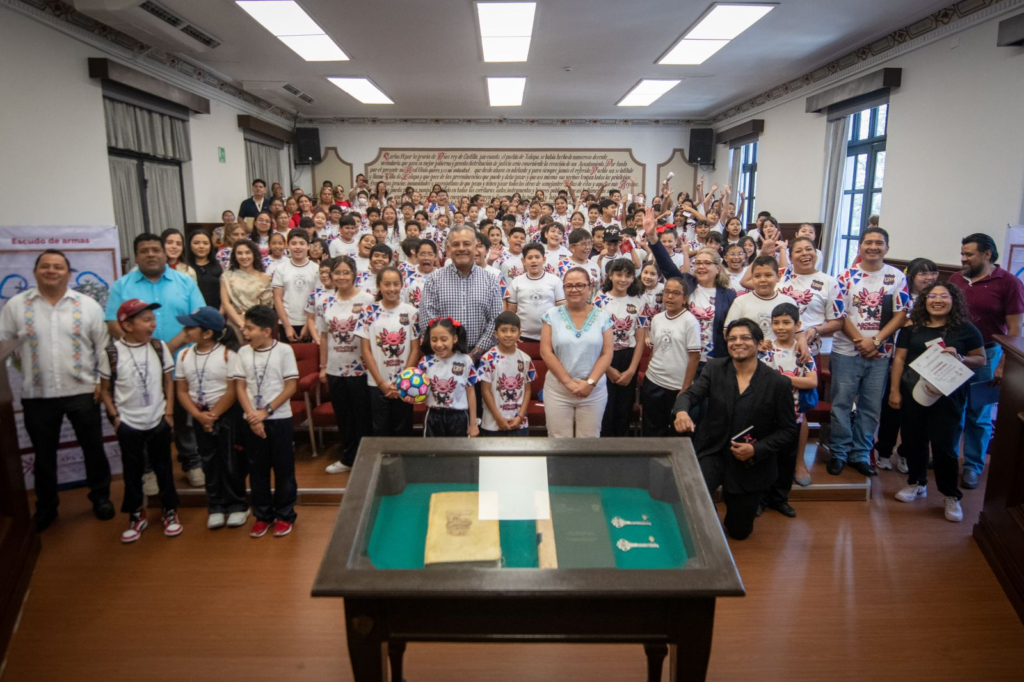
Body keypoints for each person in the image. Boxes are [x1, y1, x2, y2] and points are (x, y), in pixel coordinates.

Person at [0, 250, 113, 531]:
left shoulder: (87, 305)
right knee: (43, 455)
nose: (51, 271)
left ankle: (101, 498)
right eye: (45, 266)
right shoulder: (16, 306)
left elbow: (103, 347)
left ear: (68, 273)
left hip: (83, 391)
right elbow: (4, 346)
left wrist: (102, 383)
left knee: (93, 449)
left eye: (58, 267)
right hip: (37, 395)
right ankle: (46, 508)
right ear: (35, 272)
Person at [672, 319, 799, 541]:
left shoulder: (778, 383)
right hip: (712, 449)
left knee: (739, 531)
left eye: (745, 338)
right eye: (732, 338)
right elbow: (690, 395)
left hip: (750, 461)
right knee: (693, 496)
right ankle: (705, 523)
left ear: (759, 343)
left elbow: (788, 430)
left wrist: (757, 449)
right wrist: (681, 412)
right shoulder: (714, 368)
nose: (737, 342)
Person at [106, 233, 206, 486]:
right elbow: (113, 323)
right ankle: (147, 469)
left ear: (165, 253)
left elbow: (198, 318)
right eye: (144, 250)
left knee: (184, 416)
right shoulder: (122, 286)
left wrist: (166, 349)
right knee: (143, 416)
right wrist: (144, 350)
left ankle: (192, 461)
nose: (150, 254)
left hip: (182, 361)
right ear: (136, 256)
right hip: (138, 366)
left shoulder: (184, 282)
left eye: (155, 249)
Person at [888, 283, 985, 522]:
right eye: (932, 296)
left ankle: (951, 495)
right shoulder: (911, 328)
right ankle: (916, 483)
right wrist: (894, 391)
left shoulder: (966, 329)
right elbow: (899, 359)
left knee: (944, 447)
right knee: (913, 440)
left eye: (944, 296)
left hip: (948, 397)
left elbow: (981, 359)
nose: (937, 300)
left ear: (954, 300)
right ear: (924, 300)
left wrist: (960, 357)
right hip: (913, 394)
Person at [827, 227, 910, 477]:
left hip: (881, 354)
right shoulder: (845, 276)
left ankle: (860, 454)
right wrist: (860, 341)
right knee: (841, 404)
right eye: (868, 242)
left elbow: (901, 315)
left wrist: (875, 341)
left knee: (871, 407)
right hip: (846, 351)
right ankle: (839, 452)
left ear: (887, 248)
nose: (873, 247)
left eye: (879, 243)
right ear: (860, 246)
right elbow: (840, 314)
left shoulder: (896, 277)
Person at [99, 299, 180, 544]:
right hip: (128, 423)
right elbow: (104, 390)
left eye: (153, 319)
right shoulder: (112, 353)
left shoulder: (158, 347)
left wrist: (168, 413)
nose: (152, 324)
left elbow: (169, 381)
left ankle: (169, 510)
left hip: (157, 419)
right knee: (132, 471)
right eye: (146, 320)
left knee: (164, 468)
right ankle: (136, 514)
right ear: (127, 325)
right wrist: (116, 418)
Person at [947, 233, 1024, 489]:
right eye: (962, 253)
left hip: (988, 355)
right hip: (954, 355)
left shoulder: (1009, 282)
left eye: (969, 254)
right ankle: (948, 458)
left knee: (978, 413)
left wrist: (1004, 364)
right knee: (952, 409)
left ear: (987, 254)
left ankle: (972, 466)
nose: (963, 258)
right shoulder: (956, 279)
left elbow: (1015, 329)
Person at [173, 307, 249, 530]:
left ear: (207, 333)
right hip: (200, 416)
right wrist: (198, 415)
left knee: (230, 461)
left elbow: (232, 390)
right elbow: (182, 391)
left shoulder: (228, 355)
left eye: (190, 327)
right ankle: (216, 506)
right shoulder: (184, 355)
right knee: (209, 461)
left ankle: (237, 505)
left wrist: (214, 415)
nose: (185, 331)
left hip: (226, 417)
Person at [231, 305, 299, 539]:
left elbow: (290, 386)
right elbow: (240, 387)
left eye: (250, 328)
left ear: (267, 331)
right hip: (251, 420)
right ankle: (262, 515)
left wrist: (266, 412)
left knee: (284, 469)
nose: (245, 333)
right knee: (257, 470)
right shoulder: (243, 352)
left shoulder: (284, 351)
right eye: (244, 328)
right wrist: (253, 415)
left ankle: (285, 514)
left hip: (279, 419)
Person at [874, 257, 938, 473]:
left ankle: (905, 453)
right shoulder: (901, 296)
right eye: (923, 273)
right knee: (891, 407)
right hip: (897, 358)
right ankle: (884, 451)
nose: (928, 278)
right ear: (911, 276)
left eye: (932, 273)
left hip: (925, 362)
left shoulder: (937, 299)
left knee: (918, 414)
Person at [757, 304, 817, 518]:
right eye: (776, 323)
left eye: (786, 322)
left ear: (797, 325)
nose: (780, 327)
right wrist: (789, 380)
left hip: (793, 413)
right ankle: (761, 499)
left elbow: (812, 381)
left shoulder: (803, 352)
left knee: (787, 458)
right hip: (767, 412)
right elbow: (759, 380)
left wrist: (781, 379)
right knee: (765, 457)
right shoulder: (765, 349)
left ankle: (780, 499)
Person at [539, 267, 614, 438]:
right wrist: (568, 383)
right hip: (558, 390)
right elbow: (546, 352)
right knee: (558, 440)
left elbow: (607, 354)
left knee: (589, 440)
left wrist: (590, 383)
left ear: (589, 287)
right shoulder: (551, 315)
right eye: (569, 286)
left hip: (593, 391)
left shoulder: (602, 317)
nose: (574, 290)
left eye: (580, 285)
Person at [318, 256, 375, 474]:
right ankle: (349, 458)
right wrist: (323, 366)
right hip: (335, 368)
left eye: (346, 272)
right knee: (343, 416)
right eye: (337, 272)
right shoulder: (325, 301)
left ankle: (367, 459)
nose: (341, 276)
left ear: (354, 275)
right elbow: (324, 337)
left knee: (363, 416)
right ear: (331, 275)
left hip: (361, 369)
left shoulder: (368, 300)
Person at [421, 226, 504, 362]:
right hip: (443, 358)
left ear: (475, 248)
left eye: (466, 244)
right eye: (455, 244)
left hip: (481, 359)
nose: (461, 248)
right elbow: (428, 322)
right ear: (448, 249)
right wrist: (448, 353)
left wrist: (475, 354)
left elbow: (496, 321)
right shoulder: (434, 280)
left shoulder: (490, 280)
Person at [356, 267, 422, 437]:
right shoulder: (368, 312)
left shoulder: (411, 312)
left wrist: (402, 381)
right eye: (387, 284)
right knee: (380, 429)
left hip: (405, 384)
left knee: (403, 429)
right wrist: (381, 383)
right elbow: (365, 349)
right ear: (379, 286)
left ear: (402, 285)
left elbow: (415, 349)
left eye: (395, 284)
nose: (392, 288)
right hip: (377, 382)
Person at [593, 258, 648, 437]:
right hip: (604, 357)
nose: (623, 279)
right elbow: (593, 338)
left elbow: (640, 338)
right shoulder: (599, 300)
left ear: (633, 278)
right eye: (619, 274)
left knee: (624, 409)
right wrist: (607, 368)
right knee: (605, 408)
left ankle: (622, 448)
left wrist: (632, 370)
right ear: (610, 276)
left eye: (628, 275)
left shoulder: (639, 301)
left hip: (628, 357)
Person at [640, 277, 700, 437]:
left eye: (676, 293)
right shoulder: (657, 318)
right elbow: (654, 349)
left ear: (685, 298)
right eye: (667, 292)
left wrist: (685, 389)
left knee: (675, 432)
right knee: (651, 428)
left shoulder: (690, 321)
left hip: (677, 386)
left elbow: (694, 357)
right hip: (653, 381)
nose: (670, 297)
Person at [417, 318, 480, 437]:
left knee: (458, 449)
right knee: (432, 449)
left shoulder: (465, 361)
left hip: (459, 418)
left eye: (444, 339)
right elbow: (419, 390)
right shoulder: (425, 362)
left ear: (454, 339)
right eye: (434, 340)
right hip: (433, 416)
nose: (438, 344)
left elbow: (471, 393)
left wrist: (473, 423)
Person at [477, 312, 536, 437]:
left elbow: (527, 390)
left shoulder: (525, 359)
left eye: (513, 330)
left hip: (519, 423)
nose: (508, 334)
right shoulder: (487, 358)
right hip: (493, 423)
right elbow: (485, 391)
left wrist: (520, 417)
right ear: (496, 334)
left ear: (519, 334)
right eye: (503, 330)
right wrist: (498, 418)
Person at [727, 255, 799, 343]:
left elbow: (798, 332)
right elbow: (727, 332)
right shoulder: (740, 301)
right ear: (752, 278)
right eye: (757, 276)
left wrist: (802, 339)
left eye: (768, 275)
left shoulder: (788, 301)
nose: (763, 280)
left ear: (778, 277)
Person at [506, 243, 565, 342]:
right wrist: (513, 332)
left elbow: (562, 309)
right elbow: (511, 311)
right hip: (523, 336)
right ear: (523, 261)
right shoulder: (516, 282)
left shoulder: (555, 281)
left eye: (537, 257)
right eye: (530, 258)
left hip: (550, 335)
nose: (534, 261)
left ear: (544, 259)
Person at [271, 228, 320, 342]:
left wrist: (308, 325)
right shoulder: (280, 269)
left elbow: (317, 298)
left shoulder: (316, 269)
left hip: (311, 322)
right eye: (293, 243)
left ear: (308, 246)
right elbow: (277, 299)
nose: (298, 247)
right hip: (286, 322)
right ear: (288, 246)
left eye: (302, 243)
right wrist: (287, 326)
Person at [220, 239, 273, 332]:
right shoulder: (227, 276)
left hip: (257, 325)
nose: (244, 256)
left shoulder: (265, 277)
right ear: (235, 256)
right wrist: (241, 323)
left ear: (254, 254)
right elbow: (226, 303)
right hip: (235, 323)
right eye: (239, 253)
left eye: (247, 253)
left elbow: (266, 307)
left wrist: (252, 326)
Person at [186, 228, 222, 310]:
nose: (201, 246)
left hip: (215, 313)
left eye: (205, 243)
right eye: (196, 243)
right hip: (191, 313)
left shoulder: (218, 266)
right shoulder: (184, 267)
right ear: (189, 245)